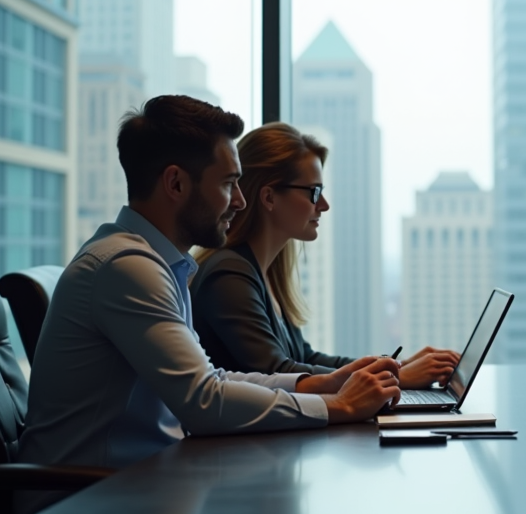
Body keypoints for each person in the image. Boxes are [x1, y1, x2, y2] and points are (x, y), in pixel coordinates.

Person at [20, 96, 401, 473]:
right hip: (91, 505)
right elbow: (204, 401)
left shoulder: (160, 264)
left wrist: (317, 385)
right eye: (229, 184)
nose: (239, 201)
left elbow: (211, 379)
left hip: (141, 484)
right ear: (176, 183)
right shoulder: (128, 268)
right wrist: (340, 406)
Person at [189, 122, 459, 387]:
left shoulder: (262, 272)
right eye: (314, 192)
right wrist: (396, 377)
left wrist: (396, 365)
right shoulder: (229, 275)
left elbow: (305, 358)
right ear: (269, 197)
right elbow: (278, 373)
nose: (324, 205)